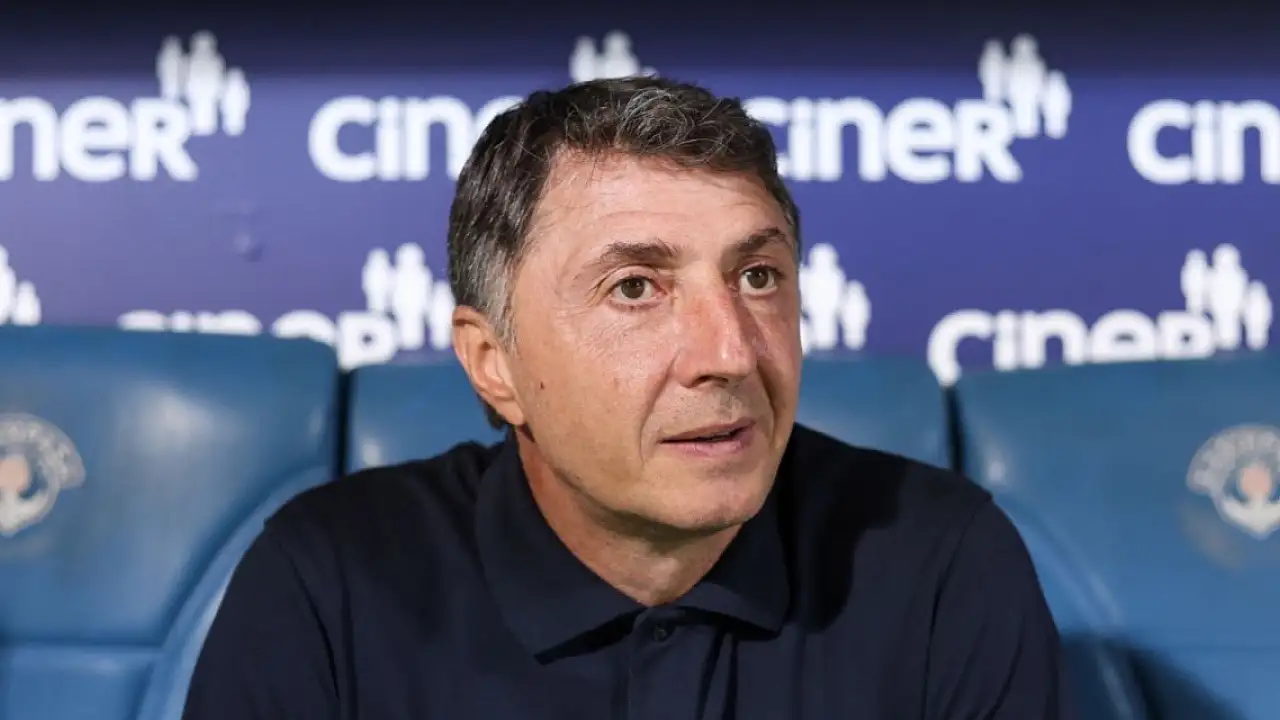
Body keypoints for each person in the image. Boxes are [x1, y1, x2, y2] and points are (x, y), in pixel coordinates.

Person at [182, 77, 1072, 719]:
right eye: (636, 289)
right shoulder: (327, 582)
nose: (730, 354)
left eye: (758, 276)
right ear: (494, 363)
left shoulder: (942, 561)